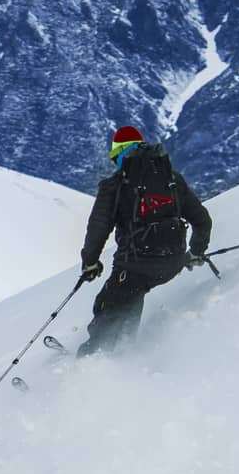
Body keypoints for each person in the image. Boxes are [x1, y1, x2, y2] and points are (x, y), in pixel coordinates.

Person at [77, 125, 212, 356]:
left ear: (119, 154)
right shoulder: (172, 178)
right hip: (173, 263)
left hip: (135, 266)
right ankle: (126, 351)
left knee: (108, 304)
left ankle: (88, 363)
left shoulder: (115, 185)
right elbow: (203, 220)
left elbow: (98, 229)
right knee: (131, 296)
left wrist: (90, 262)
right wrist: (195, 253)